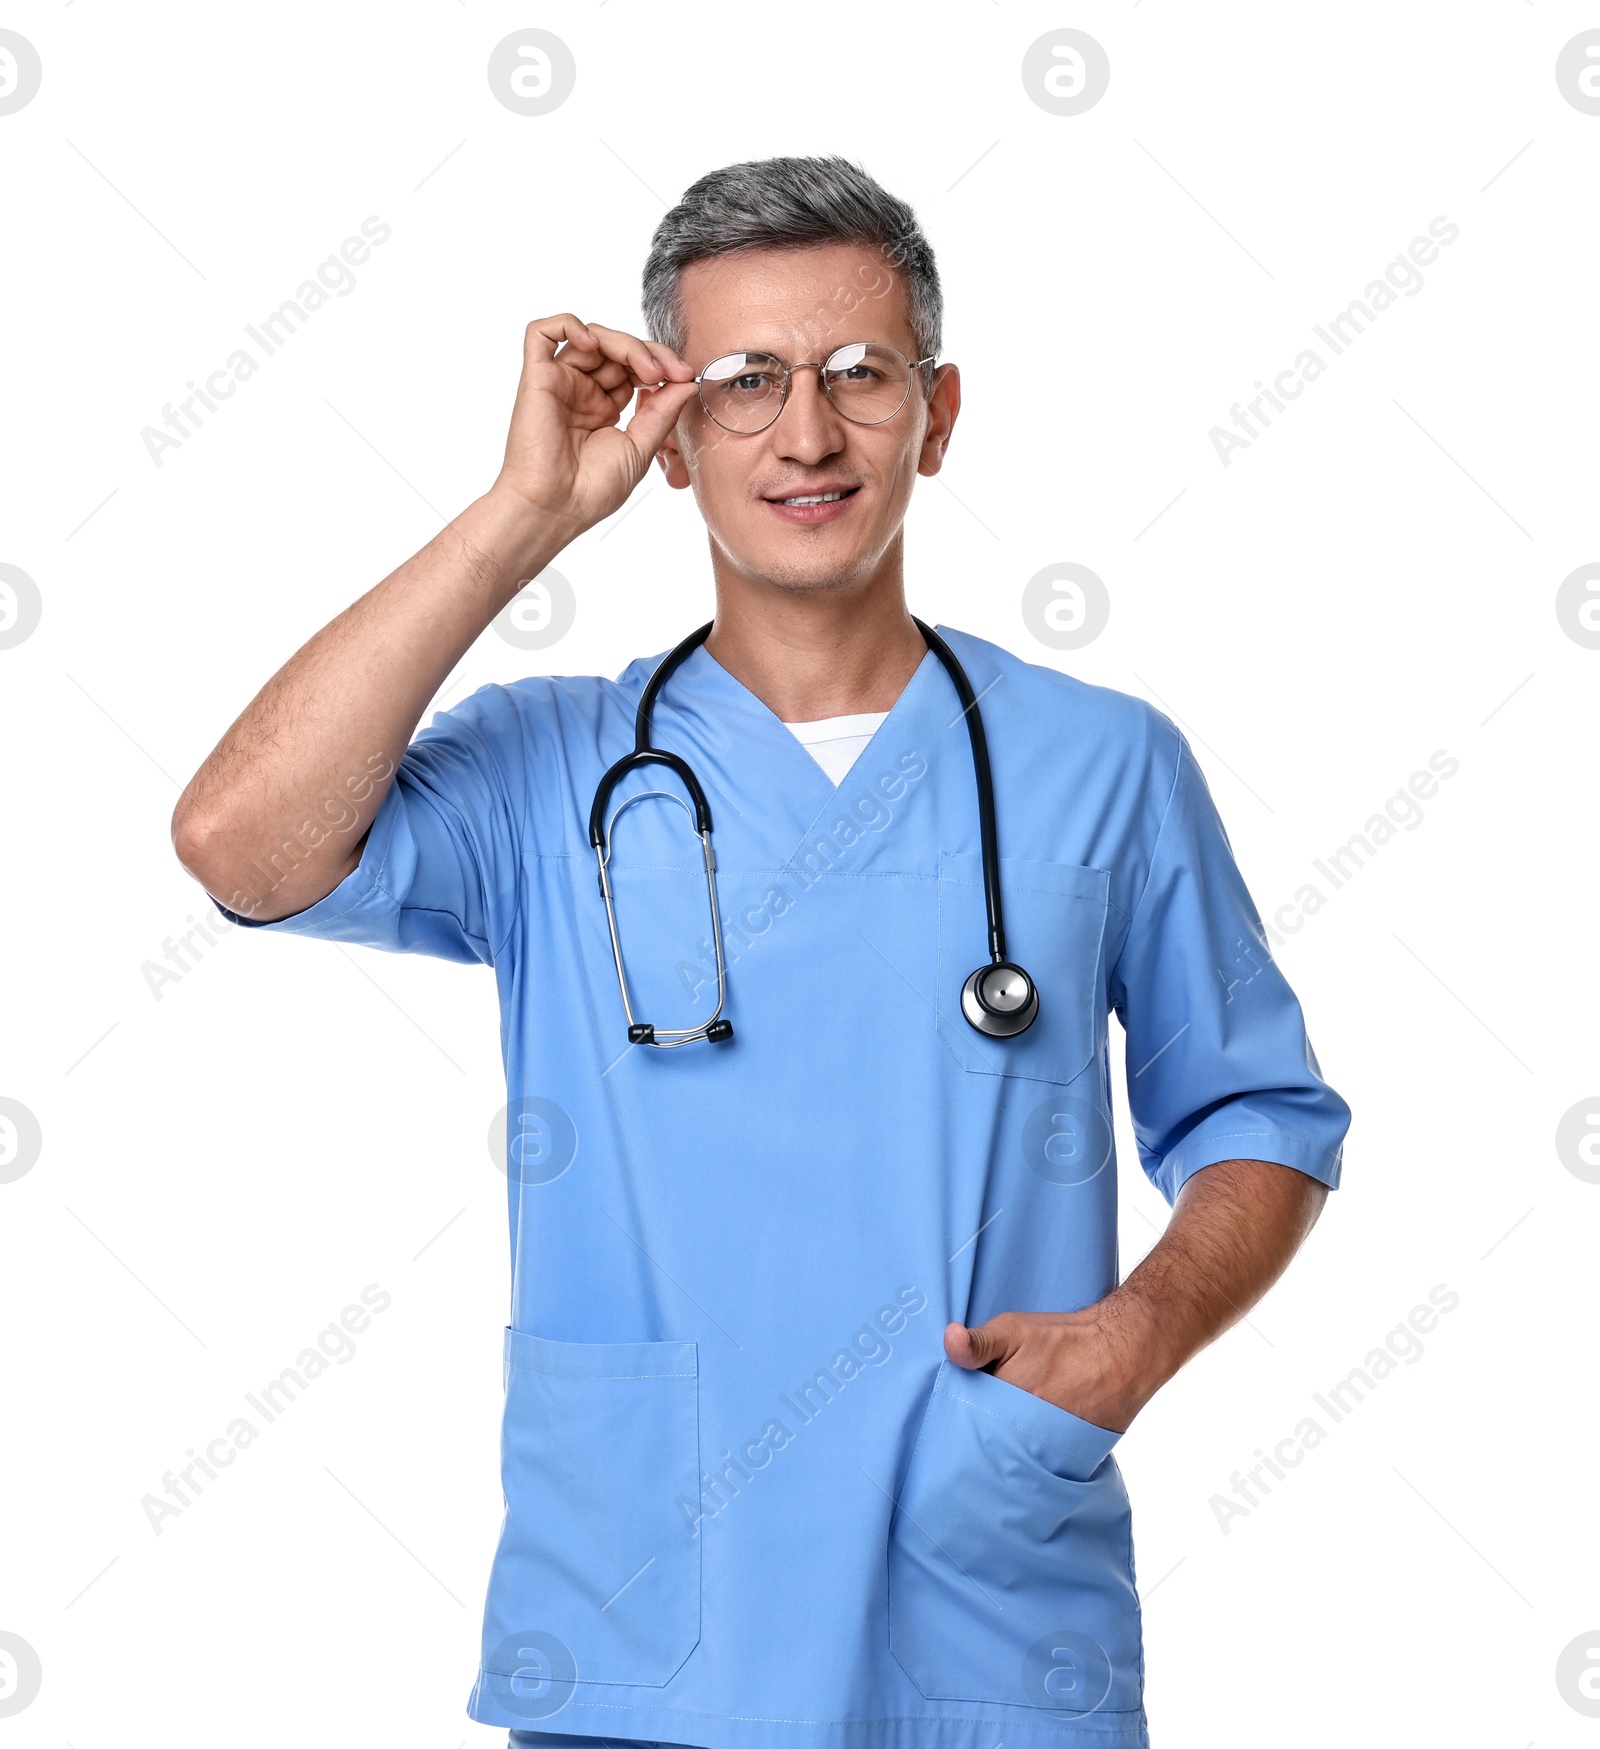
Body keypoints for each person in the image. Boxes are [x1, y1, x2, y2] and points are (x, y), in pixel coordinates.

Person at [172, 155, 1351, 1749]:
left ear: (937, 415)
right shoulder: (552, 771)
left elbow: (1263, 1119)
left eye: (859, 375)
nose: (808, 435)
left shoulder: (1103, 764)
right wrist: (527, 513)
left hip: (990, 1617)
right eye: (744, 384)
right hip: (651, 1629)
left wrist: (1142, 1331)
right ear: (673, 435)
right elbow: (240, 843)